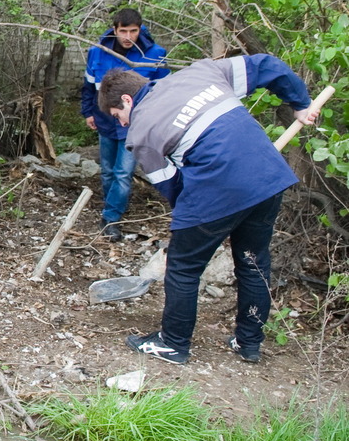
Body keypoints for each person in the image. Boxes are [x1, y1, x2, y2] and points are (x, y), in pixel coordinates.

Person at [98, 55, 320, 364]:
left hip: (218, 186)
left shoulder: (141, 132)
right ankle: (249, 343)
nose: (121, 123)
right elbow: (268, 65)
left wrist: (185, 234)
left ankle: (173, 344)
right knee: (253, 264)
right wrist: (300, 103)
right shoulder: (201, 72)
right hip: (266, 176)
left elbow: (173, 187)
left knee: (183, 268)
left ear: (126, 99)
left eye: (117, 115)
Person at [81, 8, 170, 242]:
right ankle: (111, 205)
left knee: (123, 172)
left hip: (136, 124)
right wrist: (88, 111)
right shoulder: (98, 52)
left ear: (140, 29)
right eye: (123, 31)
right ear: (114, 29)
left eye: (133, 31)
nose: (128, 37)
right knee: (108, 170)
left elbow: (163, 92)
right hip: (105, 120)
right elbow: (89, 85)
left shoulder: (155, 54)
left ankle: (111, 218)